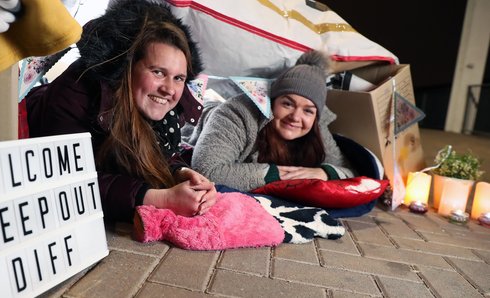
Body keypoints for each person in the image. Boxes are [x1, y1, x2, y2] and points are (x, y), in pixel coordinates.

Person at [25, 0, 217, 222]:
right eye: (157, 72)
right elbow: (64, 183)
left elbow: (155, 154)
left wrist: (182, 175)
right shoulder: (74, 94)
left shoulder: (162, 111)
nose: (169, 89)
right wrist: (161, 198)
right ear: (127, 68)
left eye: (178, 78)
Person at [190, 50, 356, 192]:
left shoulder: (314, 127)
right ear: (273, 101)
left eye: (307, 110)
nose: (296, 117)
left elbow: (349, 171)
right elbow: (206, 171)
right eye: (288, 104)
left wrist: (324, 173)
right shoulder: (237, 114)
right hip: (207, 113)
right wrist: (276, 174)